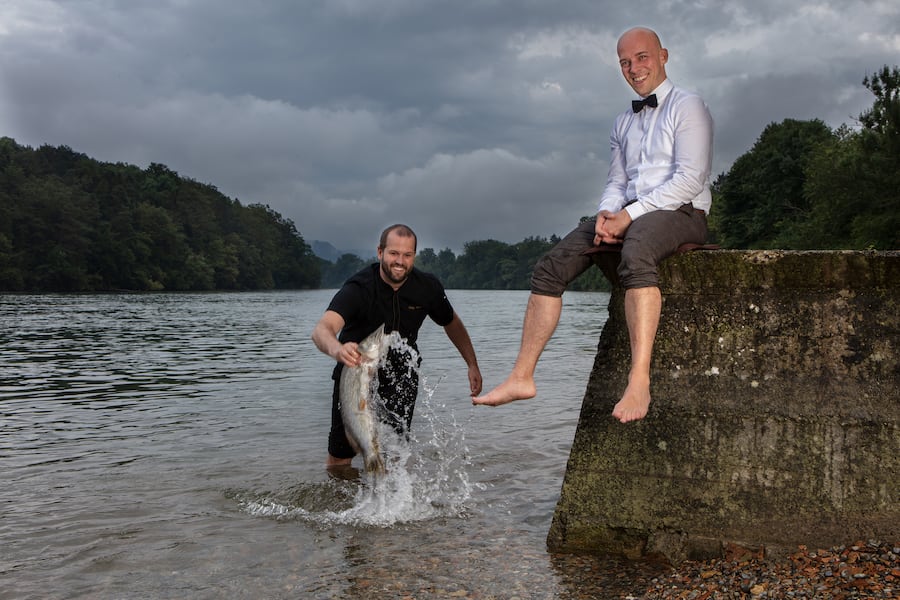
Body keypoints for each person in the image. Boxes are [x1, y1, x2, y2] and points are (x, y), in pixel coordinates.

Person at [473, 26, 713, 423]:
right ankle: (522, 376)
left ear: (664, 55)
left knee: (636, 252)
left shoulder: (689, 106)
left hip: (683, 211)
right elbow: (617, 182)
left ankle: (639, 381)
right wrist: (606, 215)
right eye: (624, 62)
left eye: (642, 57)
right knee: (550, 267)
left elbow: (689, 179)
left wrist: (627, 218)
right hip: (631, 210)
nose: (633, 68)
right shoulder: (622, 122)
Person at [312, 223, 483, 469]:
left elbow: (452, 323)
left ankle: (387, 502)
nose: (400, 261)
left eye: (407, 255)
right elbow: (322, 330)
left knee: (394, 454)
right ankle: (344, 503)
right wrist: (337, 349)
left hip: (401, 377)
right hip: (354, 377)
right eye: (393, 253)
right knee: (340, 458)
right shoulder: (359, 288)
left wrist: (472, 364)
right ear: (380, 252)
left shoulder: (427, 288)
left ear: (414, 256)